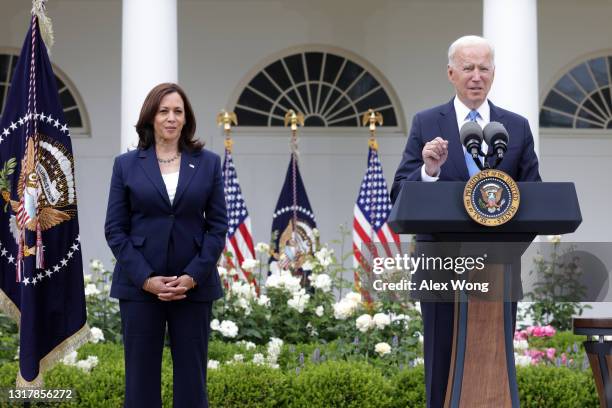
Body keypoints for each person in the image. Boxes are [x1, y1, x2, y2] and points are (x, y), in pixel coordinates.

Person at [391, 35, 541, 408]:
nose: (477, 76)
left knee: (493, 364)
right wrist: (429, 170)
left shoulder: (516, 127)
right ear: (451, 73)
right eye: (468, 68)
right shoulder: (428, 123)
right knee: (441, 367)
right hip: (440, 264)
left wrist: (499, 254)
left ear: (493, 74)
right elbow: (400, 195)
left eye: (484, 68)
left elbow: (534, 199)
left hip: (498, 272)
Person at [105, 83, 227, 408]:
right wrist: (146, 278)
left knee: (192, 384)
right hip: (139, 289)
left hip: (193, 289)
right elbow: (115, 229)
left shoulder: (209, 163)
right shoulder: (126, 165)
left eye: (178, 111)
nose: (171, 118)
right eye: (164, 111)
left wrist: (193, 276)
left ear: (186, 119)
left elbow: (218, 227)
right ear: (151, 117)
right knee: (140, 384)